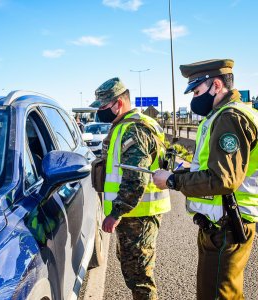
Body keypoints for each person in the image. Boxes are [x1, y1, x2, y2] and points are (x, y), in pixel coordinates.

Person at [152, 59, 258, 299]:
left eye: (197, 91)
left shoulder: (230, 117)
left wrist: (172, 181)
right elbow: (209, 168)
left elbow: (223, 179)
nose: (194, 99)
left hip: (228, 225)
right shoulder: (221, 115)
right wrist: (176, 175)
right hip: (222, 224)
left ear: (217, 85)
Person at [91, 77, 171, 299]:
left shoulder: (134, 129)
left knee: (140, 280)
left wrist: (115, 213)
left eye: (104, 107)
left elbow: (135, 179)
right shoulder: (126, 125)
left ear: (119, 103)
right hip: (134, 214)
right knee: (134, 273)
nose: (101, 112)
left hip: (138, 215)